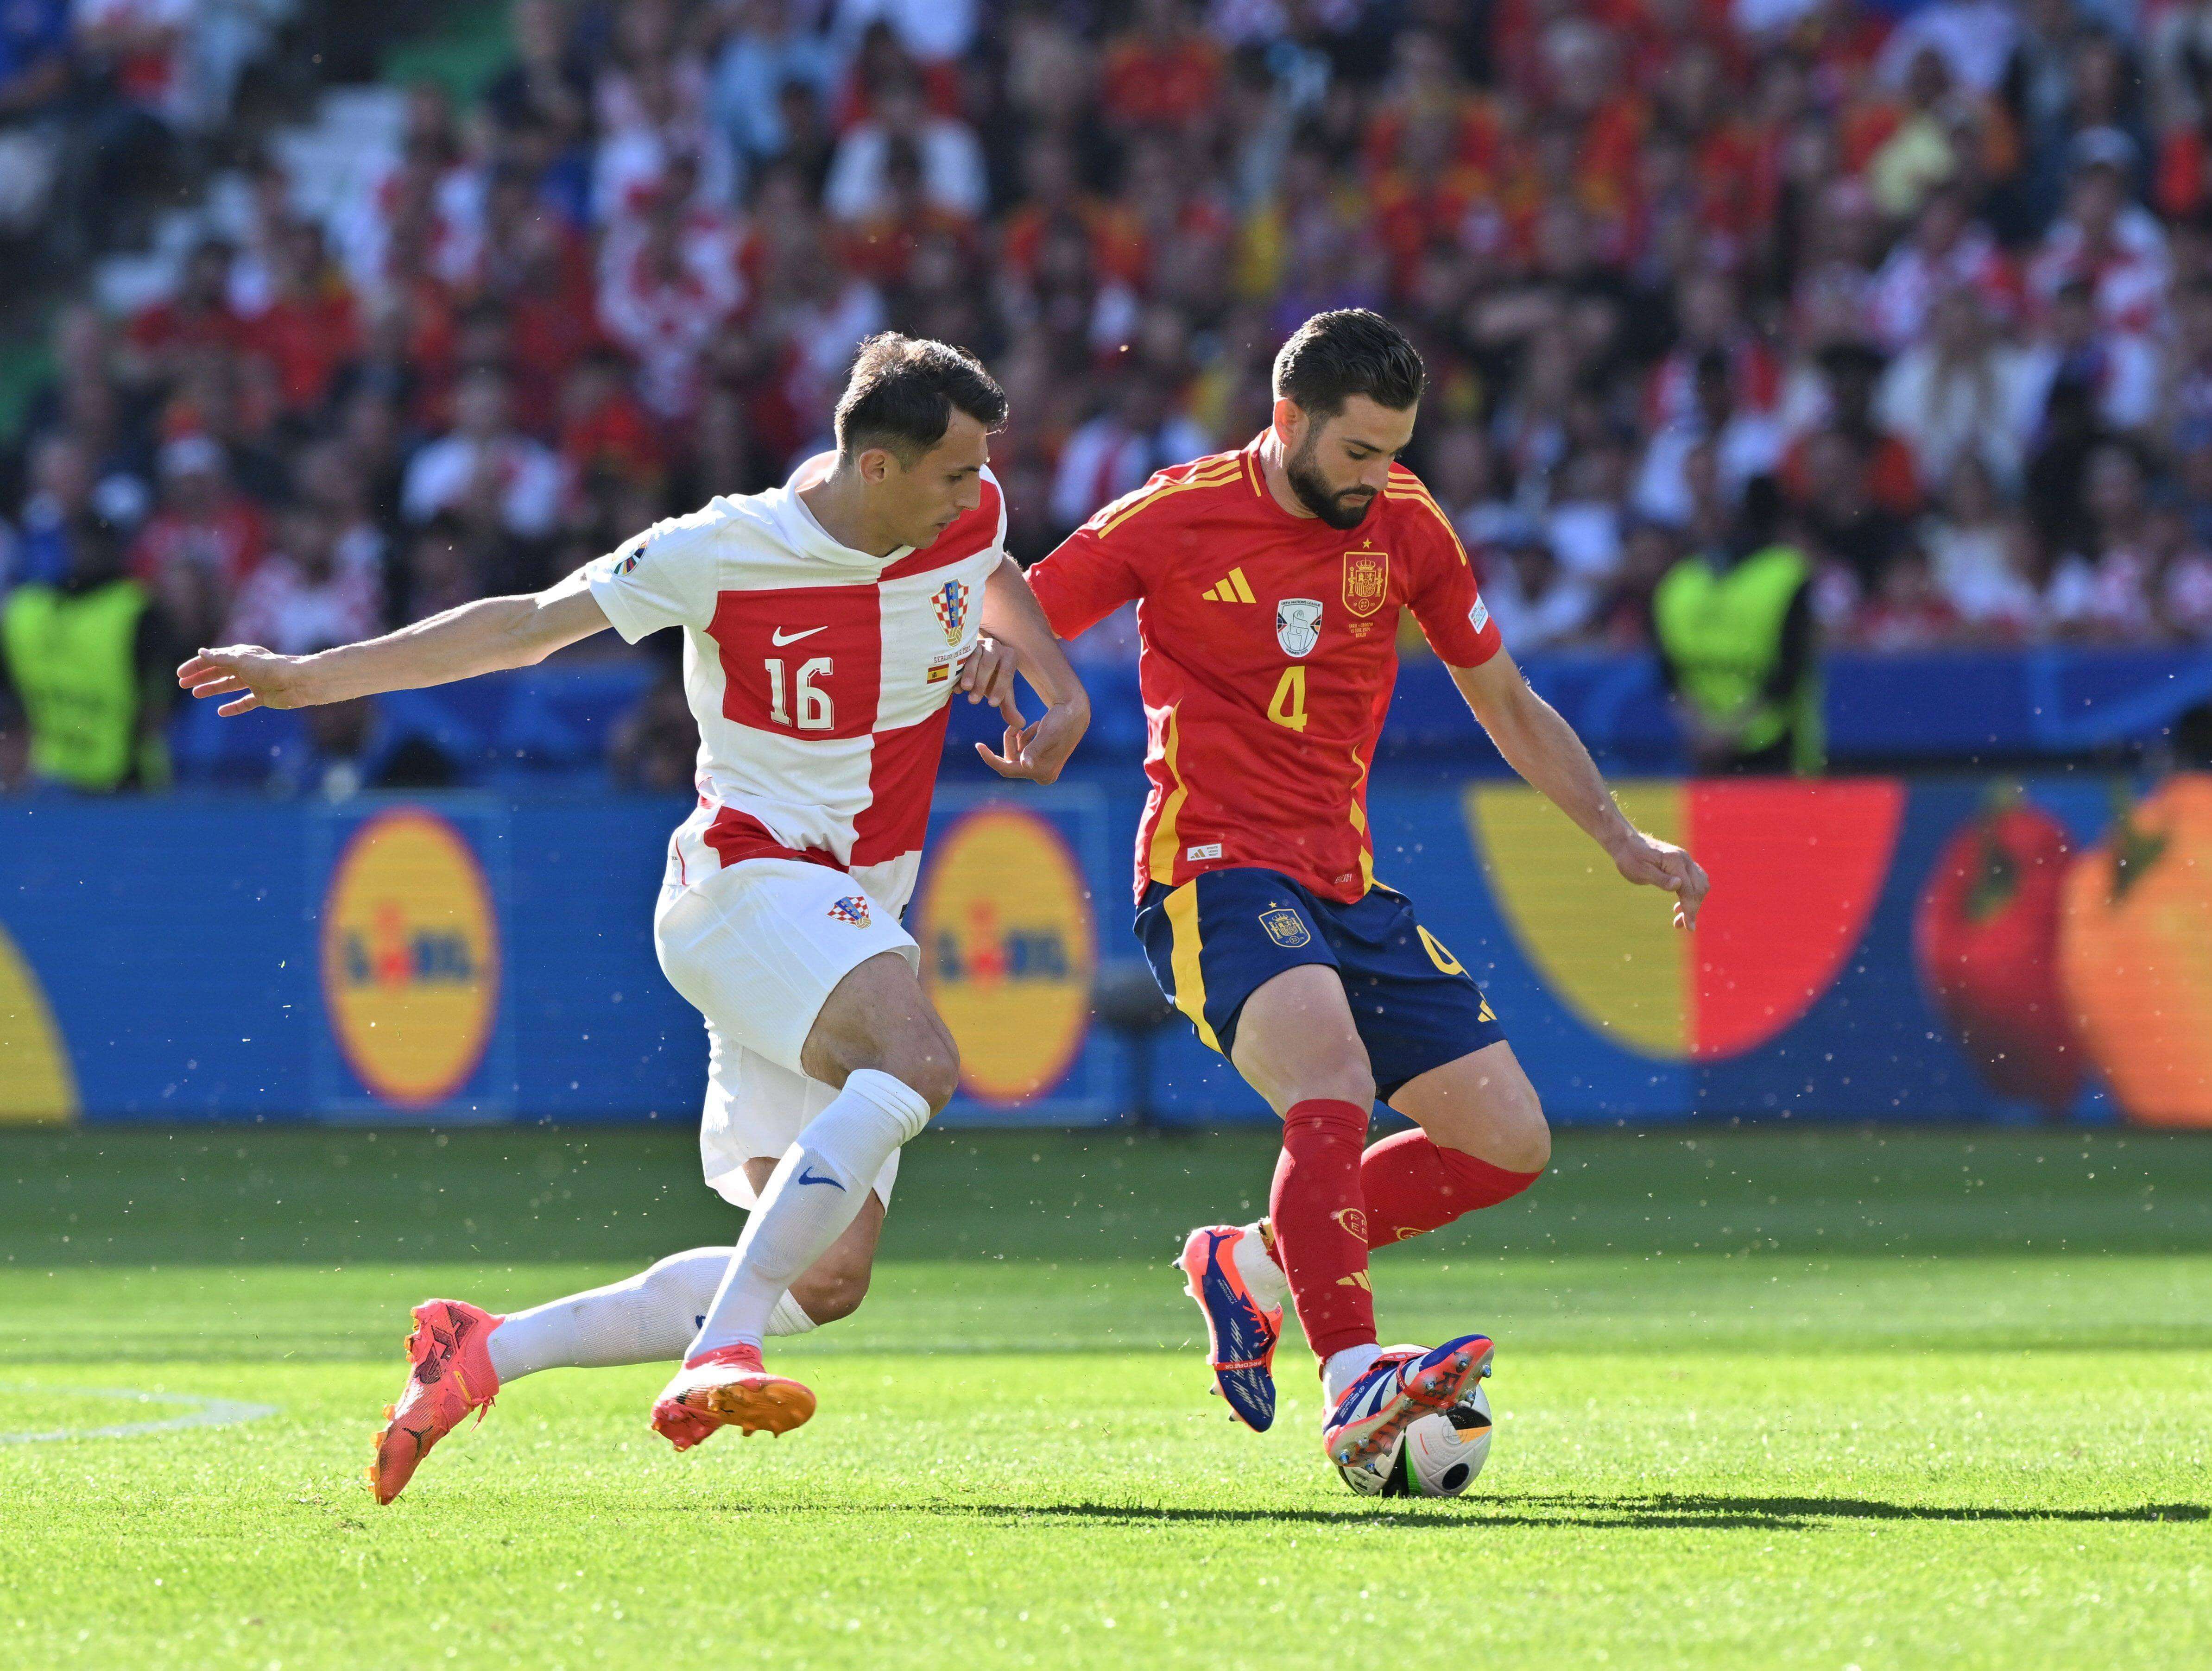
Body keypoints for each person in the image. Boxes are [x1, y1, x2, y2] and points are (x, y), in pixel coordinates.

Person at [178, 334, 1090, 1500]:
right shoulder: (721, 548)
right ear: (874, 467)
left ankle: (483, 1351)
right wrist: (310, 677)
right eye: (955, 474)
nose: (981, 495)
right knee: (918, 1059)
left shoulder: (964, 511)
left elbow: (993, 570)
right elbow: (520, 626)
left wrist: (1047, 679)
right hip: (745, 880)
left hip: (854, 909)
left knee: (830, 1277)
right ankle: (720, 1345)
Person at [1021, 310, 1708, 1480]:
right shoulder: (1174, 513)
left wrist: (1616, 835)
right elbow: (1017, 605)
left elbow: (1504, 698)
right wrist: (1039, 694)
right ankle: (1355, 1382)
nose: (1378, 477)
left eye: (1395, 450)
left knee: (1506, 1141)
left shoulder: (1403, 522)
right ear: (1288, 420)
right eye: (1357, 452)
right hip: (1210, 867)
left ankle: (1253, 1266)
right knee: (1332, 1080)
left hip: (1344, 880)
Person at [1652, 474, 1822, 775]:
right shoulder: (1788, 573)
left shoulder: (1678, 582)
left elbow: (1670, 677)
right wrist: (1729, 733)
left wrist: (1707, 732)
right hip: (1773, 751)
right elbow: (1789, 672)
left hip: (1705, 748)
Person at [1, 511, 174, 793]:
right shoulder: (136, 609)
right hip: (65, 778)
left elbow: (158, 701)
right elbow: (159, 703)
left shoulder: (25, 609)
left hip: (116, 779)